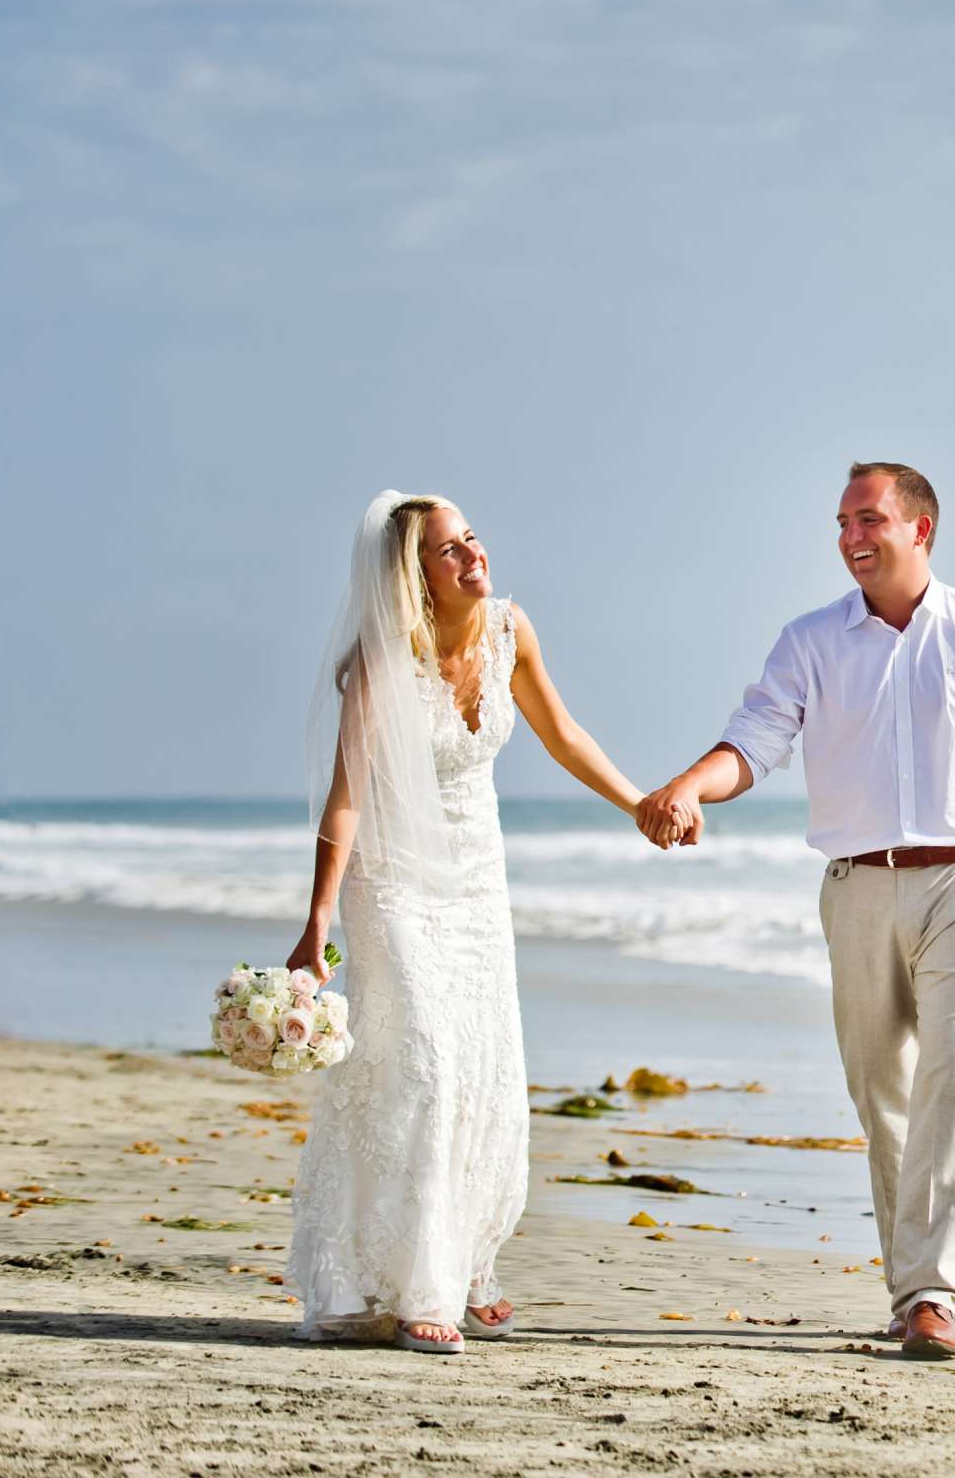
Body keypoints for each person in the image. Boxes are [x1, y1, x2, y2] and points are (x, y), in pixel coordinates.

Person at [636, 461, 955, 1360]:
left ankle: (931, 1294)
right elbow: (755, 741)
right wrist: (689, 786)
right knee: (883, 1093)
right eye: (841, 523)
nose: (850, 538)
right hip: (857, 887)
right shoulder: (811, 640)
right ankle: (908, 1285)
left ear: (921, 529)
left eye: (868, 519)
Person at [285, 490, 653, 1353]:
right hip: (395, 887)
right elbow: (344, 803)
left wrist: (638, 803)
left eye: (473, 539)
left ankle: (465, 1261)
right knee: (425, 1069)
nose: (473, 557)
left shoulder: (507, 631)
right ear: (415, 578)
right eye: (449, 551)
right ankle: (418, 1288)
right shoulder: (382, 665)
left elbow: (561, 734)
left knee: (485, 1070)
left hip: (477, 884)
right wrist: (317, 922)